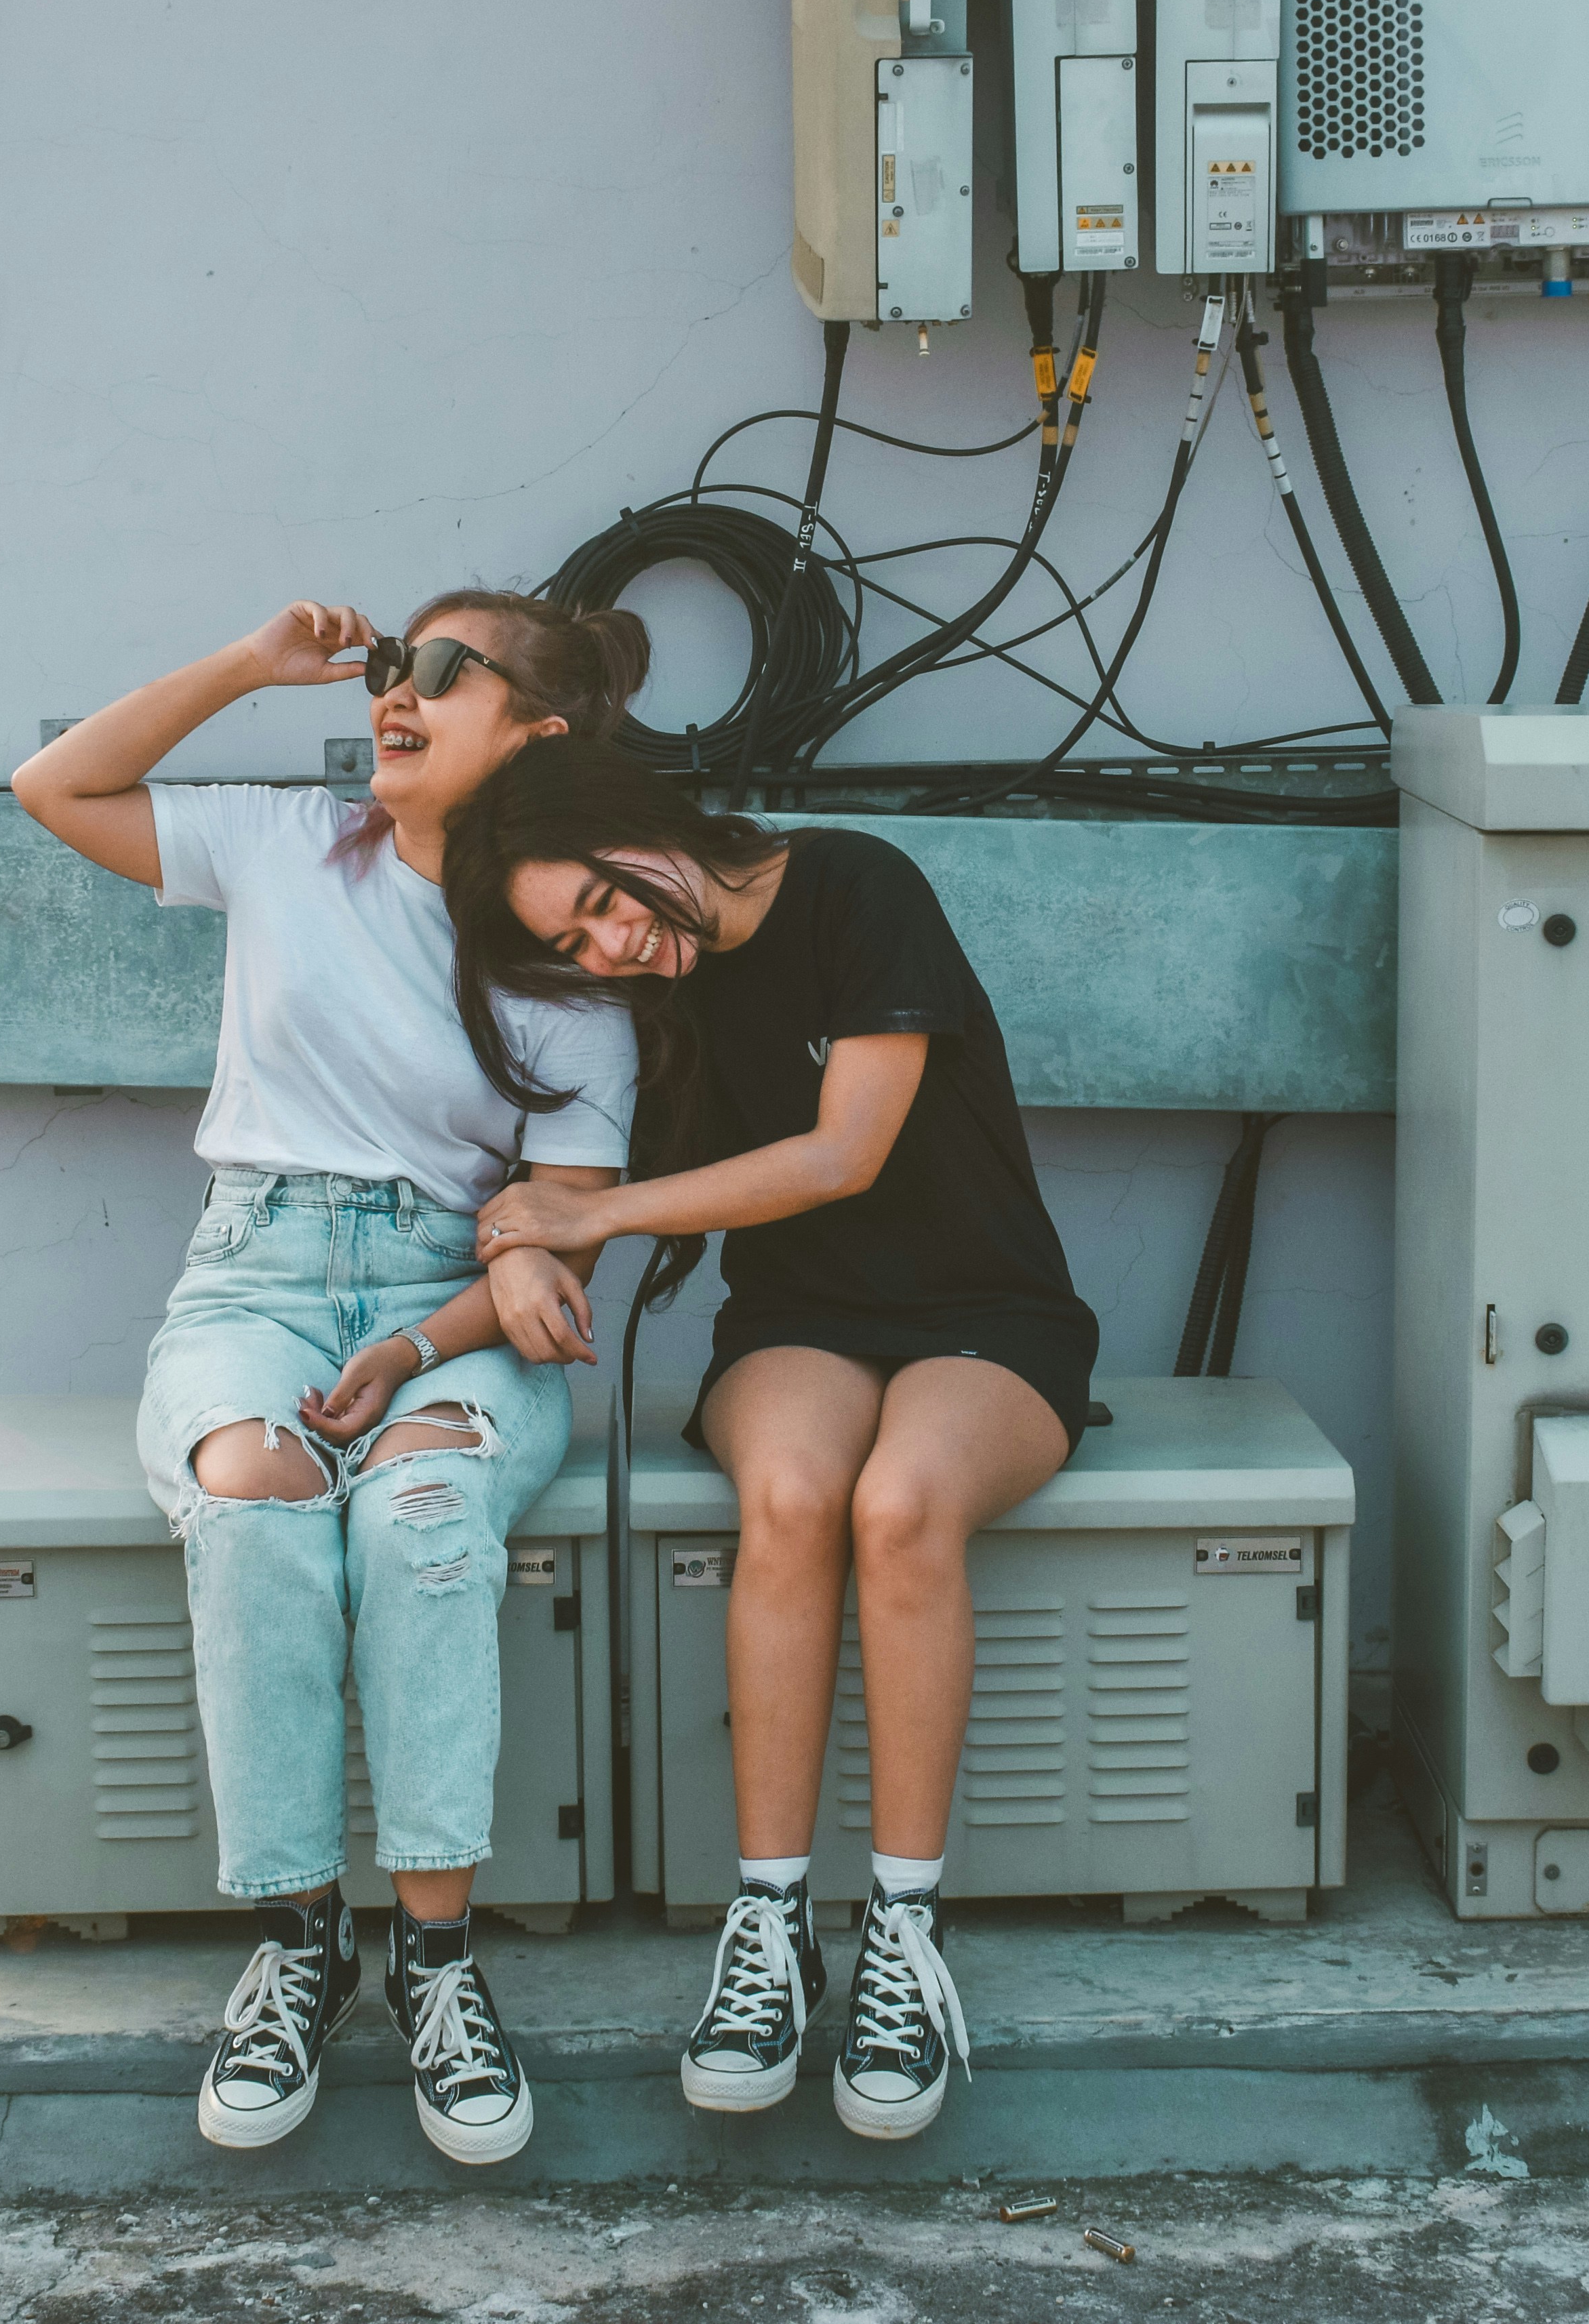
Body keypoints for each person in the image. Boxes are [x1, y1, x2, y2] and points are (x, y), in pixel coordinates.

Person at [11, 590, 647, 2167]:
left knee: (423, 1506)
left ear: (536, 734)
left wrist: (486, 1284)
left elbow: (560, 1250)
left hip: (454, 1311)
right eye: (388, 666)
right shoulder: (292, 841)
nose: (396, 694)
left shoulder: (572, 953)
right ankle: (300, 1940)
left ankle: (437, 1951)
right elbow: (56, 791)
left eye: (443, 672)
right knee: (253, 1496)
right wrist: (245, 662)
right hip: (255, 1273)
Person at [439, 737, 1098, 2142]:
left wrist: (590, 1222)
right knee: (794, 1491)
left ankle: (905, 1941)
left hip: (992, 1316)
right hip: (798, 1321)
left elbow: (846, 1149)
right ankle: (771, 1924)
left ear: (635, 816)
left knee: (904, 1501)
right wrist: (519, 1252)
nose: (616, 945)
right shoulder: (648, 1002)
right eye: (577, 941)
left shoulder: (857, 884)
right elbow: (572, 1179)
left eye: (610, 900)